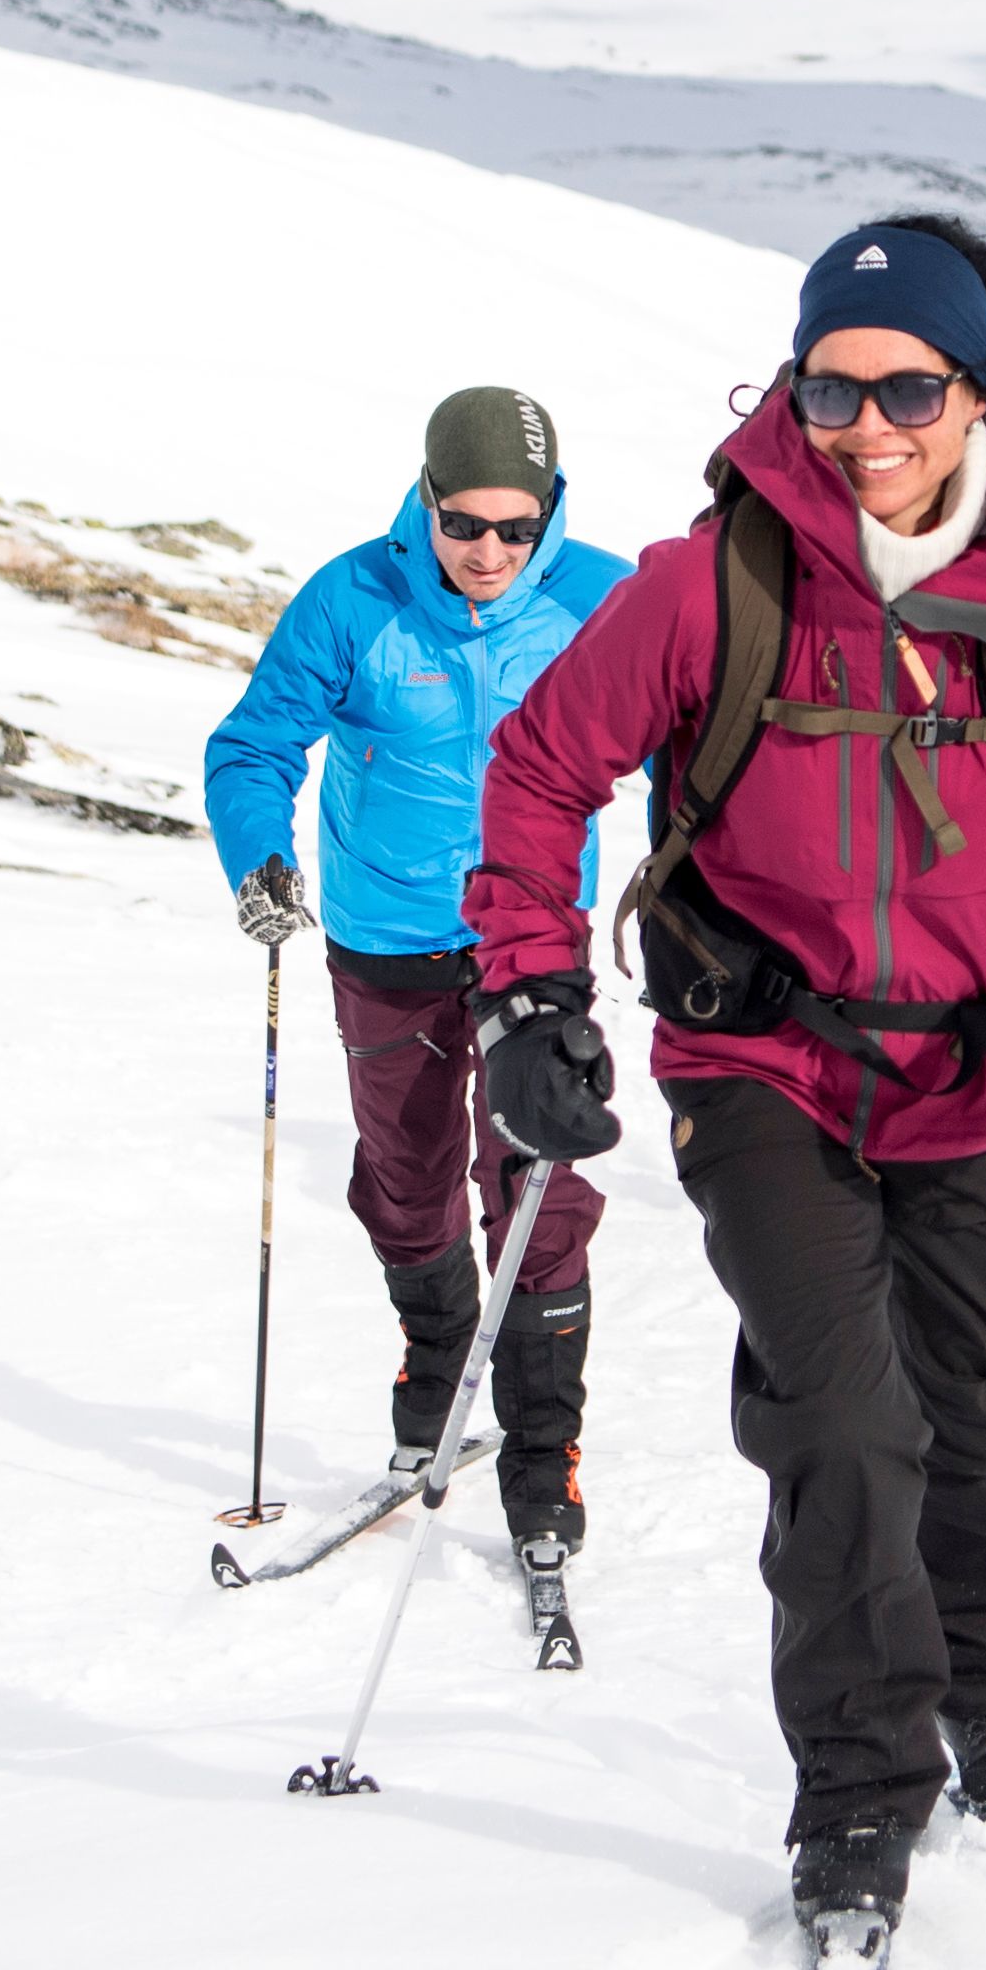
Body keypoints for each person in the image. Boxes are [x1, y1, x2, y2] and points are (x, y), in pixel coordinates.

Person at [465, 215, 986, 1923]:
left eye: (909, 383)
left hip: (977, 1068)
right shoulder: (710, 583)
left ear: (973, 393)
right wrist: (530, 997)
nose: (868, 422)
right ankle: (856, 1785)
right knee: (840, 1420)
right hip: (761, 1062)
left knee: (985, 1420)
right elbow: (541, 775)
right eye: (831, 385)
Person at [203, 385, 634, 1564]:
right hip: (386, 931)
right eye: (465, 525)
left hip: (530, 936)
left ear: (549, 514)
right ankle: (440, 1358)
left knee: (540, 1181)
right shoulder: (356, 598)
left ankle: (546, 1453)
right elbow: (254, 742)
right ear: (427, 502)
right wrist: (259, 855)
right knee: (405, 1176)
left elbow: (702, 727)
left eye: (516, 527)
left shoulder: (604, 595)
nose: (490, 552)